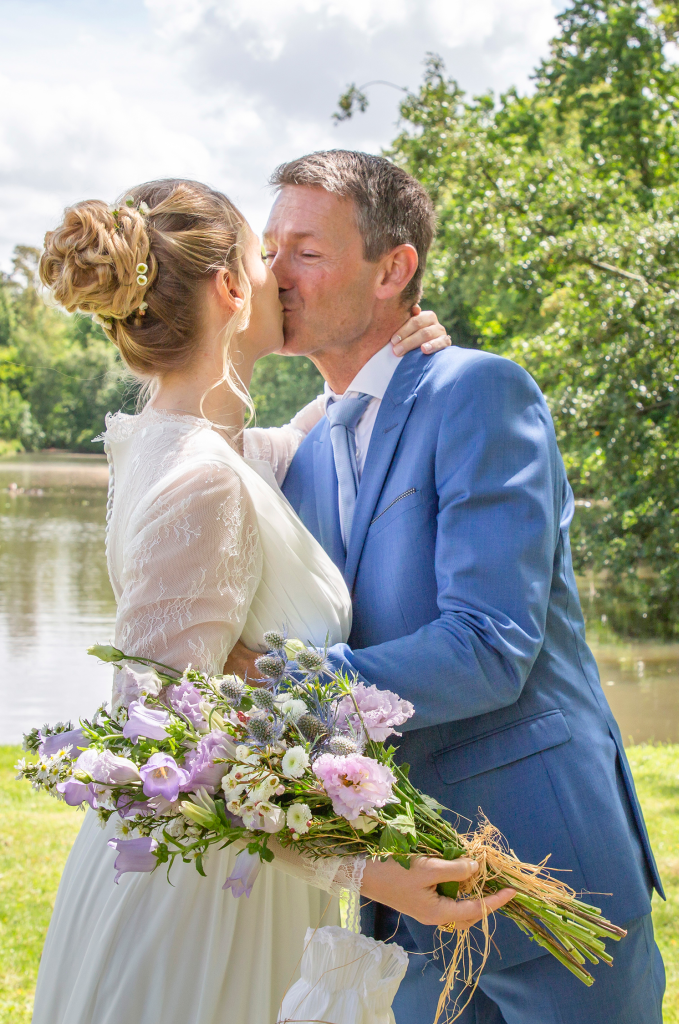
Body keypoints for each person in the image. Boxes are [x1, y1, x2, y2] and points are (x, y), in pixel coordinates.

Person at [31, 178, 513, 1024]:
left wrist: (392, 358)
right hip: (199, 914)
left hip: (230, 879)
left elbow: (301, 439)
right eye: (264, 256)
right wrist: (363, 869)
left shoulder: (186, 447)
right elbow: (157, 751)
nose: (281, 275)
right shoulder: (201, 481)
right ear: (229, 288)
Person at [228, 149, 666, 1024]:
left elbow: (489, 645)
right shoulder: (299, 457)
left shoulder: (477, 392)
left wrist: (275, 688)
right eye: (268, 252)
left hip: (546, 863)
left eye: (305, 252)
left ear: (393, 269)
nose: (275, 275)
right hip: (404, 888)